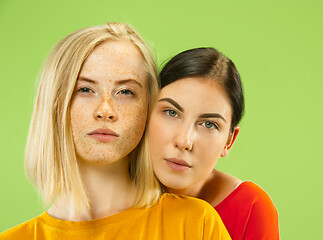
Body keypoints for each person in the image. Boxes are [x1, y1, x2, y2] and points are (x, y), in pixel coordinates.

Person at [0, 24, 231, 239]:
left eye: (125, 92)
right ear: (54, 103)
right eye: (85, 89)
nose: (105, 111)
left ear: (149, 106)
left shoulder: (196, 224)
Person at [148, 47, 280, 240]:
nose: (184, 141)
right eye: (171, 112)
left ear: (229, 140)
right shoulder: (109, 191)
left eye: (209, 124)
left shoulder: (250, 209)